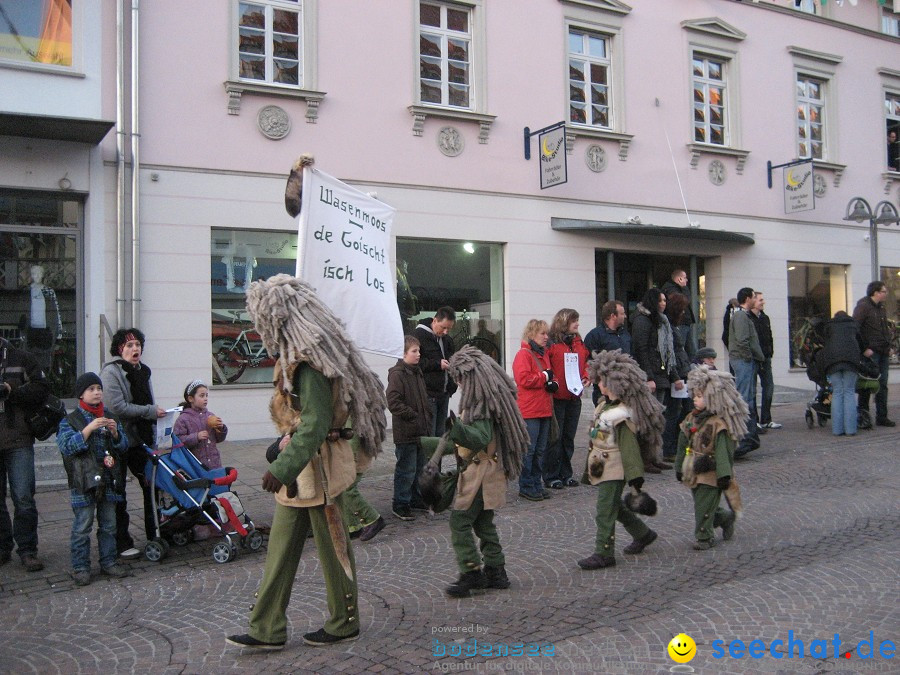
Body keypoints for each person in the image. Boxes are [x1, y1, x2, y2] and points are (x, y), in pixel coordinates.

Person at [226, 274, 387, 650]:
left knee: (335, 550)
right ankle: (266, 628)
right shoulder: (294, 360)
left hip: (322, 472)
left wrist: (280, 468)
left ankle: (344, 621)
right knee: (279, 551)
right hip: (300, 473)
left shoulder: (310, 365)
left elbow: (314, 425)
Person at [420, 345, 528, 597]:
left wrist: (455, 428)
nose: (457, 381)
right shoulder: (483, 401)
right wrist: (425, 443)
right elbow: (461, 442)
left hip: (481, 475)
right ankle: (496, 571)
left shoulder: (480, 406)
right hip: (485, 473)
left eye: (459, 376)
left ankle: (471, 572)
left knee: (460, 521)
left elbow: (478, 438)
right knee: (483, 523)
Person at [577, 349, 664, 570]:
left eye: (602, 381)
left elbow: (629, 447)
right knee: (614, 506)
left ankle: (604, 552)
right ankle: (643, 533)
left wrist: (635, 477)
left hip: (615, 467)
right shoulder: (603, 406)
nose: (598, 384)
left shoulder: (622, 415)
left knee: (605, 509)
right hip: (602, 466)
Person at [56, 373, 131, 585]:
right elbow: (67, 447)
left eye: (99, 388)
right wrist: (88, 429)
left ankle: (108, 561)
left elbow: (123, 447)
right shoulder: (70, 420)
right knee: (82, 525)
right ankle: (80, 567)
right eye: (91, 389)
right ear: (81, 394)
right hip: (83, 482)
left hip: (108, 480)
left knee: (109, 524)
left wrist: (116, 435)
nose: (97, 392)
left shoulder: (110, 416)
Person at [100, 328, 166, 559]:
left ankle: (156, 532)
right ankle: (121, 542)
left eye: (137, 344)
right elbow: (117, 407)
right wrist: (149, 412)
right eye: (129, 345)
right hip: (117, 439)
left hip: (141, 440)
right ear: (120, 349)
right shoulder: (111, 372)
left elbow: (150, 401)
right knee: (118, 491)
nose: (134, 349)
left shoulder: (143, 371)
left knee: (152, 485)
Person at [674, 366, 746, 550]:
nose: (695, 400)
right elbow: (683, 442)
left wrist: (724, 474)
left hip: (711, 471)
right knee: (701, 502)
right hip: (693, 469)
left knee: (703, 506)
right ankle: (725, 518)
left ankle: (704, 537)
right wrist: (679, 466)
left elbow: (723, 451)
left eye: (700, 397)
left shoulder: (718, 424)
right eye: (695, 396)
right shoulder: (691, 418)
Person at [0, 336, 49, 572]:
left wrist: (11, 390)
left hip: (18, 439)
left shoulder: (21, 358)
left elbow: (42, 389)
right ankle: (2, 548)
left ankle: (28, 550)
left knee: (24, 498)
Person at [630, 288, 683, 471]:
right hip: (652, 377)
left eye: (665, 300)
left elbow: (668, 353)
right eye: (660, 300)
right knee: (648, 420)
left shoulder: (661, 321)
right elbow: (642, 349)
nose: (664, 303)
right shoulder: (642, 321)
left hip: (661, 376)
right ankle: (645, 459)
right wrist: (649, 377)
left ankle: (655, 456)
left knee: (658, 420)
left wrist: (674, 376)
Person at [173, 380, 228, 540]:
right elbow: (178, 440)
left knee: (215, 493)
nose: (205, 399)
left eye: (207, 396)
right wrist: (195, 437)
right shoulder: (184, 419)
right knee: (200, 494)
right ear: (190, 398)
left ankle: (216, 521)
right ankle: (199, 522)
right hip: (196, 464)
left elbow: (219, 438)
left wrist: (221, 429)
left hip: (213, 463)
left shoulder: (210, 416)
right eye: (201, 395)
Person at [386, 335, 433, 521]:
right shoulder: (398, 374)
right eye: (414, 351)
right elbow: (393, 402)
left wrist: (426, 415)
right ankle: (400, 503)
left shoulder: (416, 372)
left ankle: (415, 498)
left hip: (420, 430)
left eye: (418, 350)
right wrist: (413, 415)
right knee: (406, 469)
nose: (418, 354)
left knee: (418, 468)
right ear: (404, 353)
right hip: (406, 432)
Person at [543, 308, 589, 490]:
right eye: (574, 321)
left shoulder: (578, 341)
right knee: (555, 438)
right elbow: (546, 365)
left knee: (568, 437)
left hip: (574, 396)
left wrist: (586, 374)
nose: (577, 324)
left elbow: (585, 362)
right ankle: (551, 475)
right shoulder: (552, 343)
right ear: (564, 322)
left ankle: (566, 473)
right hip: (558, 396)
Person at [513, 319, 556, 501]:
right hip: (530, 410)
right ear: (532, 334)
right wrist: (544, 377)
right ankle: (527, 485)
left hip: (543, 407)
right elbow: (523, 379)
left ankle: (536, 484)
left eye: (547, 333)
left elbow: (547, 376)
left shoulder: (542, 354)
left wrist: (553, 383)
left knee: (540, 450)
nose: (546, 337)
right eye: (542, 334)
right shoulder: (524, 355)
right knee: (530, 451)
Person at [853, 281, 894, 427]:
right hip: (871, 353)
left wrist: (888, 346)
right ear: (875, 292)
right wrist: (864, 348)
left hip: (882, 351)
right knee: (867, 384)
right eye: (884, 291)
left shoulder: (881, 308)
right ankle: (863, 416)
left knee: (882, 384)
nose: (886, 294)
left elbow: (884, 329)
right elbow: (855, 328)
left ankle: (881, 416)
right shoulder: (863, 306)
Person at [728, 288, 764, 457]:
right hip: (743, 361)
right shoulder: (741, 316)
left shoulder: (742, 315)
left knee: (746, 397)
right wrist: (749, 358)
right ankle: (743, 438)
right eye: (754, 297)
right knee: (744, 398)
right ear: (748, 298)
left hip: (744, 360)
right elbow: (743, 340)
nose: (756, 299)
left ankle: (748, 437)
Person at [819, 311, 864, 436]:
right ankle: (850, 430)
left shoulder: (829, 326)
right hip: (851, 361)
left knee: (837, 392)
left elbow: (824, 343)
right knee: (849, 392)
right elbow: (862, 343)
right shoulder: (853, 325)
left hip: (833, 362)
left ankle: (837, 430)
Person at [415, 306, 457, 437]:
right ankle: (429, 458)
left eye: (449, 329)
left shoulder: (447, 340)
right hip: (428, 394)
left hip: (444, 393)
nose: (445, 332)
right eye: (443, 327)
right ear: (434, 321)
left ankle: (437, 458)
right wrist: (437, 364)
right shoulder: (418, 336)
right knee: (430, 434)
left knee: (441, 434)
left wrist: (454, 382)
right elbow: (415, 363)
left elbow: (453, 360)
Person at [584, 300, 631, 406]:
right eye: (622, 313)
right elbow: (589, 361)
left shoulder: (625, 335)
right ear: (613, 316)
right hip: (604, 389)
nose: (625, 316)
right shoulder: (595, 336)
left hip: (625, 387)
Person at [750, 292, 781, 430]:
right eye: (760, 300)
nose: (763, 302)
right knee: (752, 390)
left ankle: (766, 419)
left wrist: (770, 352)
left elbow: (770, 336)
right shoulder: (747, 318)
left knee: (769, 387)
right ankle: (755, 420)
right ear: (753, 301)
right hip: (753, 358)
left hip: (766, 357)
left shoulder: (765, 318)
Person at [23, 265, 62, 372]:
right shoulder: (27, 291)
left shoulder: (48, 291)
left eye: (39, 273)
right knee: (29, 358)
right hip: (31, 331)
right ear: (31, 275)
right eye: (35, 273)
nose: (37, 276)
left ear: (43, 275)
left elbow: (56, 312)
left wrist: (59, 333)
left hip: (45, 330)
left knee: (45, 360)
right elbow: (23, 313)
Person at [661, 269, 697, 359]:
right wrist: (684, 288)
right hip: (680, 322)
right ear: (679, 279)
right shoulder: (671, 289)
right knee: (680, 348)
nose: (686, 280)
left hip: (684, 322)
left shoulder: (675, 289)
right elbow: (685, 301)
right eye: (684, 278)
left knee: (691, 351)